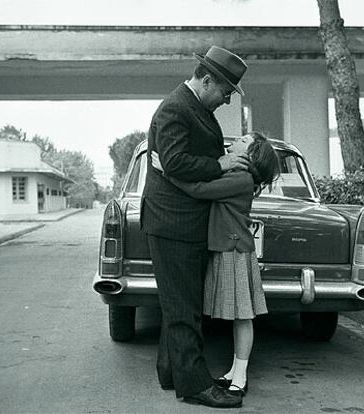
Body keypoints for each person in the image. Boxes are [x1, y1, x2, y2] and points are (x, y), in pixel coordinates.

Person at [140, 45, 249, 409]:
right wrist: (222, 163)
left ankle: (171, 372)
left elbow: (172, 163)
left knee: (178, 304)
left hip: (180, 222)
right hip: (174, 223)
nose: (227, 100)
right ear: (206, 80)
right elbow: (175, 162)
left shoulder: (192, 107)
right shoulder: (175, 108)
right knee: (185, 307)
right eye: (226, 92)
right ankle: (195, 385)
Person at [152, 132, 280, 398]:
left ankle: (241, 375)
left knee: (243, 315)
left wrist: (167, 170)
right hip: (227, 247)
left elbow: (199, 190)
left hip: (233, 249)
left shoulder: (240, 178)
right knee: (237, 315)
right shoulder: (236, 173)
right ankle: (236, 371)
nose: (236, 141)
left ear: (249, 155)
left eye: (243, 141)